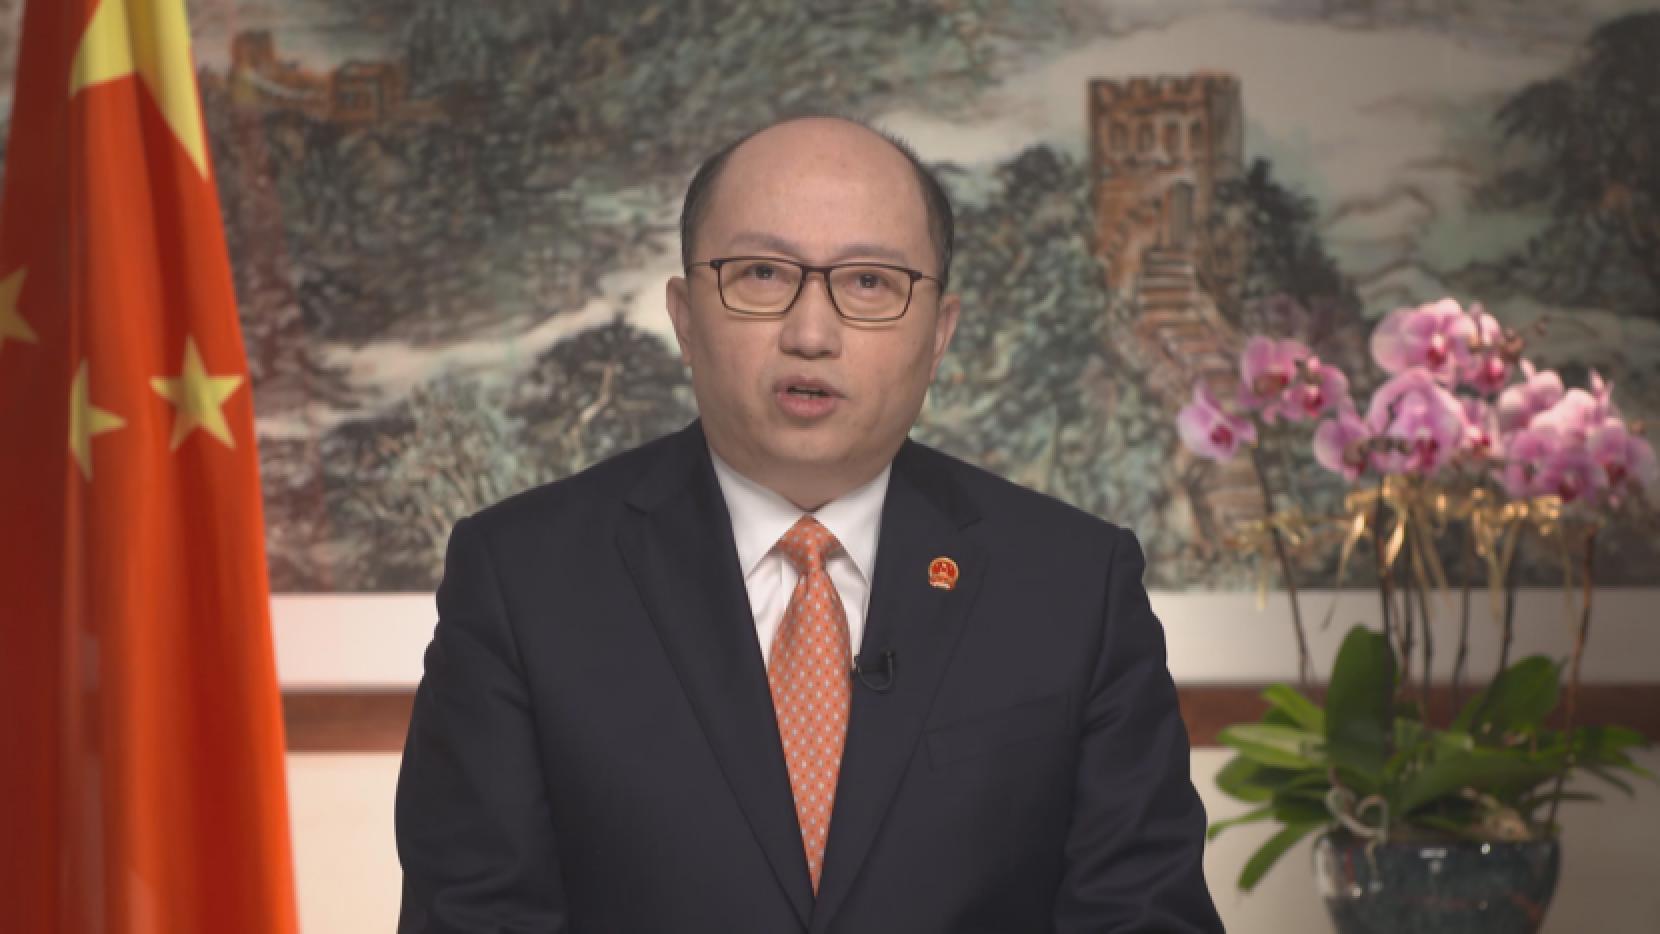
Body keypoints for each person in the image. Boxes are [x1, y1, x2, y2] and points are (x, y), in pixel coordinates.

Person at [395, 115, 1224, 933]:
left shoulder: (1073, 586)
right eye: (761, 273)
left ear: (940, 333)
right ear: (684, 316)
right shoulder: (523, 579)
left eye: (869, 283)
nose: (812, 333)